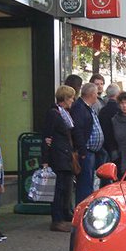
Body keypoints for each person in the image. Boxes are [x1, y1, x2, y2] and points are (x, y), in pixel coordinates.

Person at [44, 85, 78, 232]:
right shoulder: (54, 113)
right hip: (58, 156)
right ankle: (57, 220)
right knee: (58, 189)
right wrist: (45, 160)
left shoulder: (65, 113)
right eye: (71, 97)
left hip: (65, 155)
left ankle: (64, 215)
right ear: (64, 98)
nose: (73, 100)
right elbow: (47, 136)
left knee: (66, 188)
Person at [71, 82, 105, 204]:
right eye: (96, 94)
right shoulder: (79, 108)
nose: (97, 96)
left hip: (92, 151)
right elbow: (78, 130)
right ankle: (82, 209)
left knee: (89, 182)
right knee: (84, 184)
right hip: (86, 152)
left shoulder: (87, 107)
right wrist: (82, 151)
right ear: (91, 94)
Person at [99, 84, 122, 162]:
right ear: (118, 94)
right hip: (117, 145)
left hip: (104, 145)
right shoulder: (120, 110)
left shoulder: (102, 111)